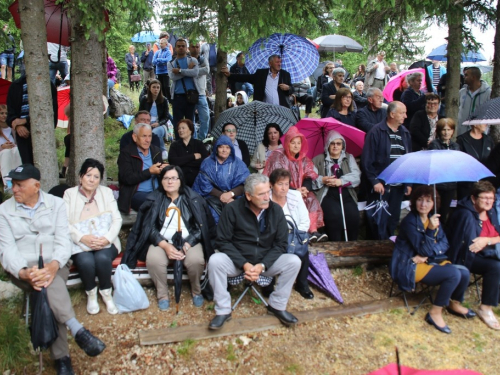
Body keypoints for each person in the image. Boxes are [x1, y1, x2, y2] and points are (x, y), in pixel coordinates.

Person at [0, 164, 105, 374]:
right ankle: (76, 333)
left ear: (36, 186)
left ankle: (62, 359)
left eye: (20, 185)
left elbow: (63, 241)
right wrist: (23, 271)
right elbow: (7, 249)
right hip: (23, 268)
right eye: (13, 184)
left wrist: (54, 264)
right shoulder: (3, 210)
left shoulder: (56, 205)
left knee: (47, 284)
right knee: (46, 287)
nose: (14, 189)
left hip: (55, 262)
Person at [207, 173, 300, 329]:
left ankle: (277, 305)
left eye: (268, 192)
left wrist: (262, 265)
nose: (266, 197)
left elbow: (281, 244)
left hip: (265, 262)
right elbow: (222, 241)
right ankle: (223, 310)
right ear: (248, 196)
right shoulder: (232, 209)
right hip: (238, 262)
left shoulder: (276, 211)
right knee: (215, 261)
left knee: (294, 261)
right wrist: (244, 264)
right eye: (261, 194)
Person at [121, 165, 216, 310]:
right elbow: (148, 228)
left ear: (180, 181)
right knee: (154, 260)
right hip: (161, 240)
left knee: (196, 260)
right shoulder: (154, 200)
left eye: (173, 178)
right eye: (166, 178)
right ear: (161, 181)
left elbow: (200, 227)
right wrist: (164, 245)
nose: (170, 181)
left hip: (189, 240)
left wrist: (187, 244)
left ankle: (196, 290)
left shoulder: (193, 199)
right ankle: (162, 294)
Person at [390, 186, 472, 334]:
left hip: (428, 261)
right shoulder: (410, 222)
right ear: (414, 202)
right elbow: (424, 249)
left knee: (464, 272)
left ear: (434, 203)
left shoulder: (433, 219)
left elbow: (445, 244)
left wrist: (427, 255)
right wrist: (430, 232)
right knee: (453, 274)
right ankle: (435, 313)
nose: (423, 204)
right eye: (420, 200)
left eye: (428, 201)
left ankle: (454, 303)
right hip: (410, 266)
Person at [63, 159, 122, 315]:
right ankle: (91, 294)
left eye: (96, 177)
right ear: (81, 176)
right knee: (85, 260)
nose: (92, 180)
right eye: (88, 175)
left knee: (102, 258)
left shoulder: (106, 192)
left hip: (105, 240)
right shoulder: (69, 194)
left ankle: (106, 293)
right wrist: (82, 238)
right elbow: (65, 222)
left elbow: (117, 219)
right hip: (80, 242)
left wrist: (107, 238)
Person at [447, 181, 500, 330]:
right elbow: (466, 246)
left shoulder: (491, 212)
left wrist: (487, 240)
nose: (489, 201)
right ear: (473, 198)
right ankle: (485, 308)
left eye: (491, 198)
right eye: (484, 198)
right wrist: (487, 243)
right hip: (468, 255)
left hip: (488, 251)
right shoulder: (465, 214)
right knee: (495, 267)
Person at [263, 126, 327, 243]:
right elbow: (277, 178)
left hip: (301, 190)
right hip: (282, 189)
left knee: (311, 199)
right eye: (293, 143)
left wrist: (304, 188)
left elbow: (308, 175)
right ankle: (302, 232)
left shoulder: (304, 158)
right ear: (287, 143)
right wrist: (294, 190)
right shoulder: (278, 156)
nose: (296, 146)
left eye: (299, 143)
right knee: (295, 199)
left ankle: (313, 231)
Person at [361, 101, 412, 239]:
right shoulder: (376, 132)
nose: (405, 116)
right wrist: (374, 181)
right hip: (381, 185)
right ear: (392, 114)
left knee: (393, 220)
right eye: (402, 113)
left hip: (399, 186)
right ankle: (375, 251)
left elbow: (408, 161)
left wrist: (408, 183)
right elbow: (367, 160)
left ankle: (388, 250)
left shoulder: (405, 133)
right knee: (377, 221)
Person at [270, 169, 313, 299]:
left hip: (294, 234)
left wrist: (295, 235)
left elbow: (305, 220)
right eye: (280, 184)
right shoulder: (266, 199)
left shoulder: (295, 196)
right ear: (271, 185)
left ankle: (302, 284)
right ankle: (269, 283)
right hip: (273, 236)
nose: (284, 188)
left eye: (287, 184)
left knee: (303, 250)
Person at [313, 130, 361, 241]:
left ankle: (351, 245)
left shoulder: (349, 158)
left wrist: (341, 181)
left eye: (338, 143)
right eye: (332, 143)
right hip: (327, 195)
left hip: (346, 194)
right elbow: (312, 178)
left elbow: (356, 176)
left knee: (353, 216)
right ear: (328, 145)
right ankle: (336, 244)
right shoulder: (318, 159)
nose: (335, 146)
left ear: (342, 145)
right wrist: (323, 180)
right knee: (335, 216)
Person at [192, 135, 250, 224]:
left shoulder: (238, 163)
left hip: (234, 197)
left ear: (231, 149)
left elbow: (245, 183)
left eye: (227, 147)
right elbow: (203, 184)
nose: (224, 150)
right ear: (216, 148)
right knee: (212, 216)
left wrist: (230, 194)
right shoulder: (207, 162)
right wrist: (221, 195)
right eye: (221, 147)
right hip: (211, 197)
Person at [7, 75, 58, 165]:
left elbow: (50, 113)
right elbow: (10, 114)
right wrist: (18, 126)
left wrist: (26, 120)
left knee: (43, 165)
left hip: (43, 131)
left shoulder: (48, 85)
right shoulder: (16, 85)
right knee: (27, 165)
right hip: (22, 131)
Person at [117, 123, 167, 213]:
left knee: (181, 198)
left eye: (149, 136)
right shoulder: (126, 153)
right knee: (154, 204)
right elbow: (126, 178)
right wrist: (149, 172)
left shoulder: (155, 151)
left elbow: (161, 175)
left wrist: (165, 170)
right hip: (135, 193)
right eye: (144, 136)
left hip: (157, 191)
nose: (147, 140)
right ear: (135, 137)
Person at [221, 54, 293, 108]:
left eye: (280, 62)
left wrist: (288, 88)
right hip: (264, 109)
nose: (279, 64)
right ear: (270, 63)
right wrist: (230, 75)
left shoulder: (285, 75)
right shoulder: (261, 74)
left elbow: (292, 89)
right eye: (277, 62)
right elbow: (245, 77)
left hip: (281, 109)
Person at [428, 118, 460, 225]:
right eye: (444, 130)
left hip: (450, 185)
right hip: (437, 185)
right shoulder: (434, 144)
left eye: (449, 129)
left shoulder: (455, 146)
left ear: (452, 131)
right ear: (439, 131)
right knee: (434, 211)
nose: (446, 132)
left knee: (444, 212)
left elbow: (455, 164)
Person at [168, 39, 200, 139]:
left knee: (190, 122)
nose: (181, 48)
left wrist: (180, 71)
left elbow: (195, 73)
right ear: (175, 48)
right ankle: (178, 144)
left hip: (191, 96)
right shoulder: (171, 63)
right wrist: (187, 71)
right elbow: (173, 77)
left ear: (186, 48)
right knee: (178, 122)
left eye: (183, 46)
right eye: (179, 46)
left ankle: (191, 143)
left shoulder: (193, 60)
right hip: (177, 97)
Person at [456, 123, 494, 200]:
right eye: (483, 122)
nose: (486, 124)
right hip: (467, 183)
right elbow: (458, 162)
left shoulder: (489, 140)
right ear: (475, 124)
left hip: (484, 183)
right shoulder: (462, 140)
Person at [168, 119, 209, 186]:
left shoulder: (199, 144)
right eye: (179, 128)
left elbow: (204, 162)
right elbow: (173, 161)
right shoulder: (174, 145)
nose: (180, 130)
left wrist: (182, 162)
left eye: (183, 128)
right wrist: (192, 156)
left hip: (197, 180)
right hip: (179, 181)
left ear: (190, 130)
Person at [457, 67, 491, 136]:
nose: (464, 77)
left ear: (473, 77)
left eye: (466, 75)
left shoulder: (488, 93)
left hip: (479, 134)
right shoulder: (462, 92)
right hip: (462, 133)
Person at [138, 79, 170, 154]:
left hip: (160, 124)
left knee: (154, 133)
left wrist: (158, 123)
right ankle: (161, 150)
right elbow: (140, 114)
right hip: (146, 124)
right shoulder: (144, 99)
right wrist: (145, 123)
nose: (156, 89)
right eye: (154, 87)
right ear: (150, 88)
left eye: (158, 87)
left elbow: (166, 116)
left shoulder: (164, 100)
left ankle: (158, 150)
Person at [188, 41, 211, 141]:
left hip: (201, 93)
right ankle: (193, 139)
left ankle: (201, 139)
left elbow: (207, 70)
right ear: (189, 48)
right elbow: (184, 72)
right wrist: (194, 71)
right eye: (193, 47)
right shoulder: (186, 60)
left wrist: (193, 70)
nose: (195, 49)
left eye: (197, 47)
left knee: (205, 117)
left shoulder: (203, 59)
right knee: (190, 119)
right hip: (189, 93)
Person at [0, 104, 21, 190]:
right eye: (1, 113)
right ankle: (8, 183)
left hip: (13, 154)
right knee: (5, 152)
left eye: (6, 113)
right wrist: (2, 147)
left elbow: (18, 143)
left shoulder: (13, 129)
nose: (4, 115)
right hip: (2, 155)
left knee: (16, 150)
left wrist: (13, 145)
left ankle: (19, 179)